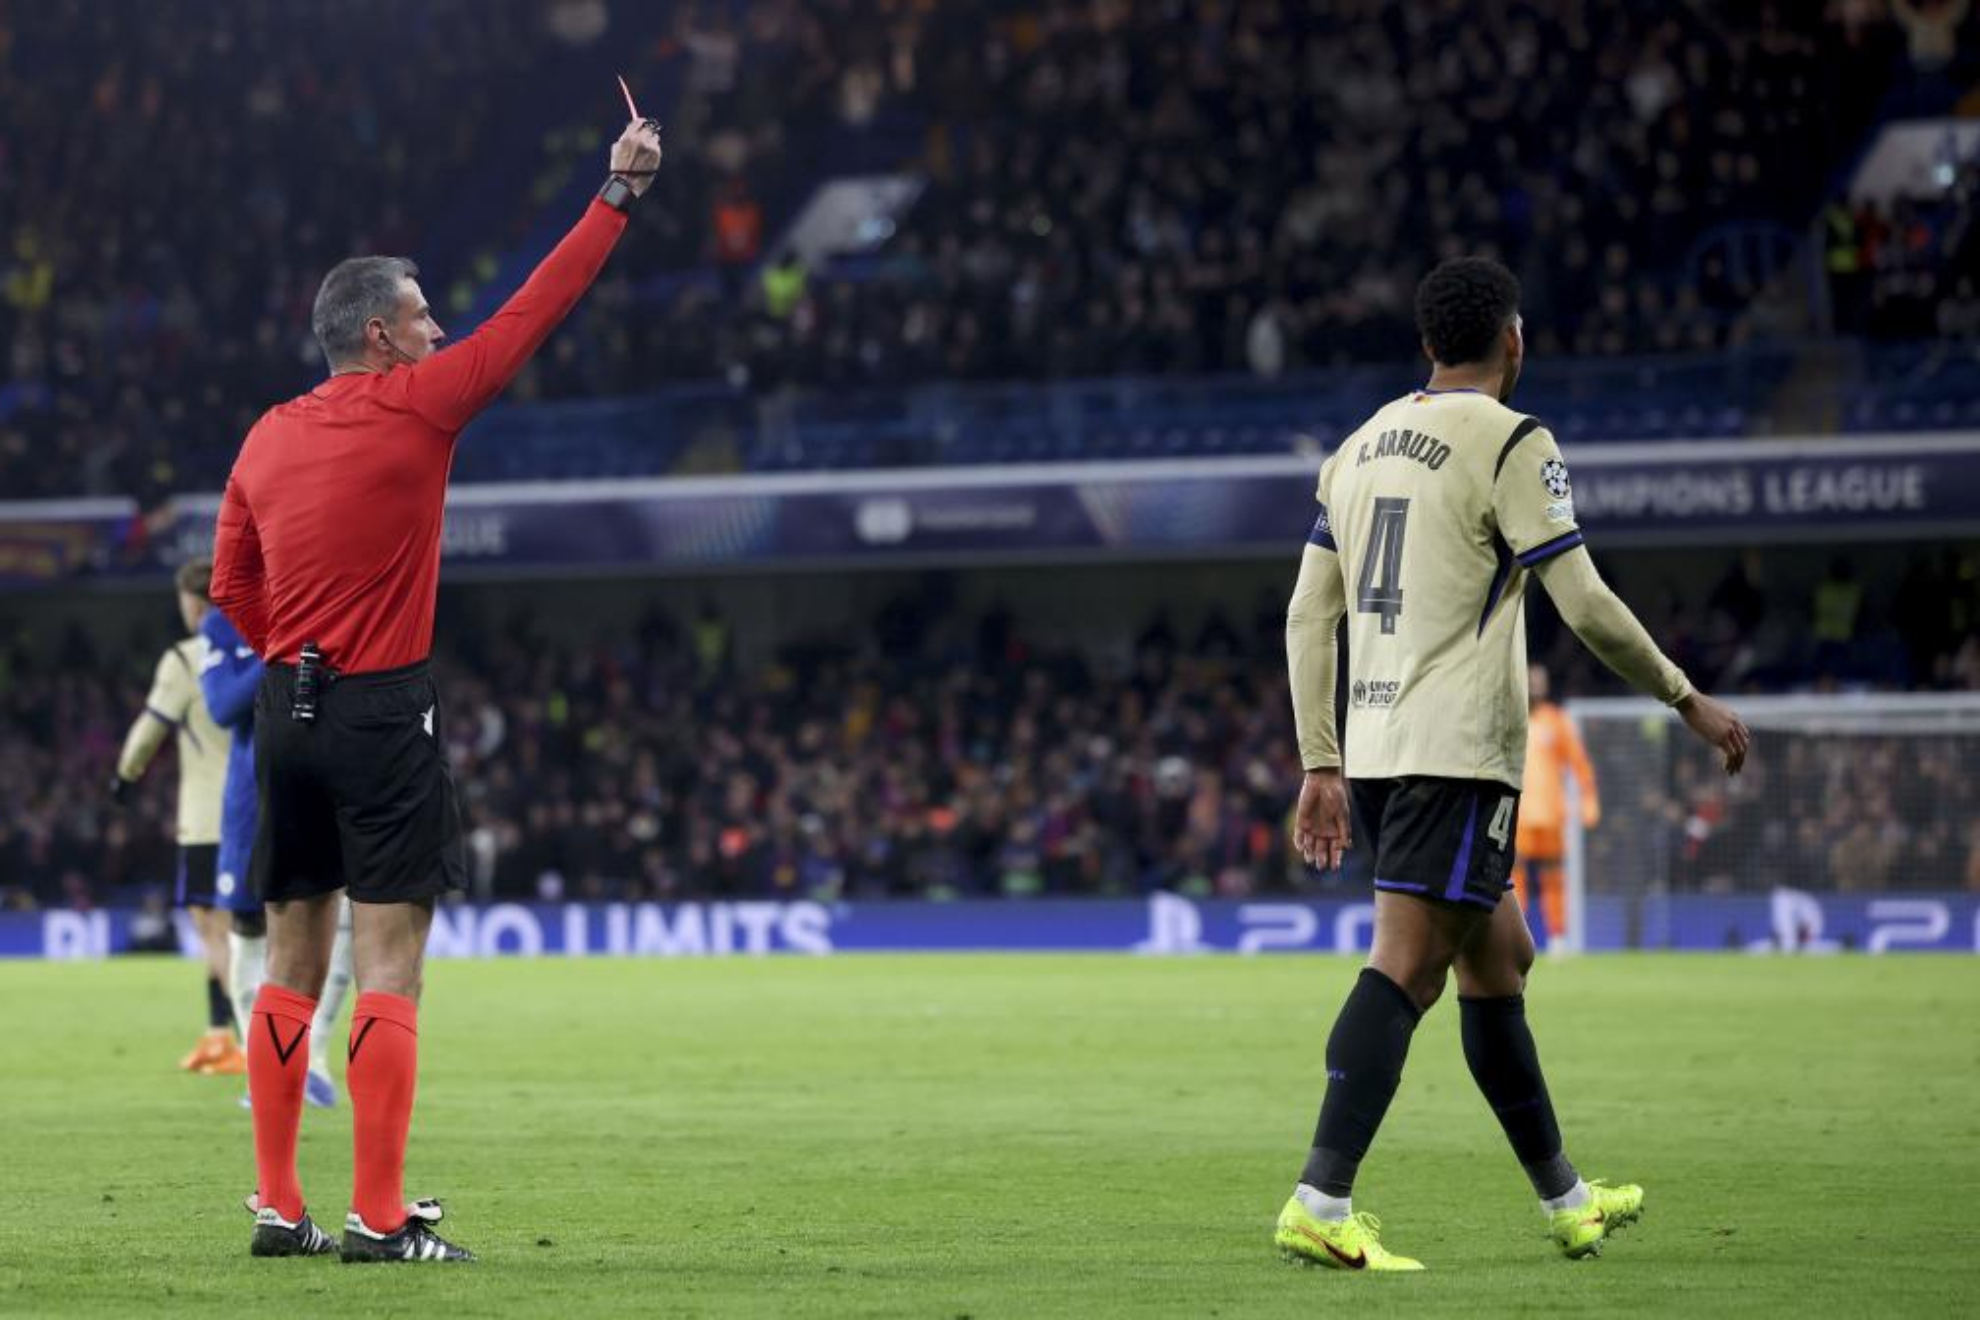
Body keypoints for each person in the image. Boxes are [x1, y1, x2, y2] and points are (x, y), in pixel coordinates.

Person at [210, 115, 664, 1263]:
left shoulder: (264, 437)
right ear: (380, 333)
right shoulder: (422, 403)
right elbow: (533, 311)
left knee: (292, 961)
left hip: (284, 715)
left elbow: (229, 582)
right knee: (392, 960)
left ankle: (277, 1207)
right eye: (422, 313)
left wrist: (291, 652)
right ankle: (376, 1217)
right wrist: (616, 192)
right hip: (379, 712)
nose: (441, 326)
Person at [1276, 256, 1750, 1270]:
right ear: (1514, 341)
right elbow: (1581, 602)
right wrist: (1685, 697)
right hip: (1457, 751)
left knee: (1501, 960)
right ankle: (1321, 1196)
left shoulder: (1355, 449)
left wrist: (1320, 761)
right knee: (1405, 963)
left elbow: (1308, 613)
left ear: (1426, 347)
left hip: (1375, 745)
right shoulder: (1514, 440)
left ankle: (1568, 1201)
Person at [199, 604, 355, 1110]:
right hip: (252, 797)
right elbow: (221, 705)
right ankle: (261, 1066)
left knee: (340, 919)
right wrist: (283, 655)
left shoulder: (329, 601)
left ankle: (314, 1062)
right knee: (247, 928)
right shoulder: (224, 621)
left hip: (328, 784)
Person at [114, 559, 241, 1076]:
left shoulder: (186, 659)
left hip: (208, 818)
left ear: (193, 604)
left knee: (216, 931)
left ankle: (250, 1041)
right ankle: (219, 1035)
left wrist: (124, 777)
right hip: (258, 809)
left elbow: (149, 731)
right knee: (243, 929)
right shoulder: (252, 650)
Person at [1512, 664, 1599, 948]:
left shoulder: (1557, 721)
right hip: (1516, 814)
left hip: (1551, 813)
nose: (1536, 686)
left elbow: (1579, 763)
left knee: (1554, 875)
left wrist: (1588, 798)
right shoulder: (1510, 719)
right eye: (1532, 681)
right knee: (1513, 876)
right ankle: (1516, 936)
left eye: (1541, 681)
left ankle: (1558, 937)